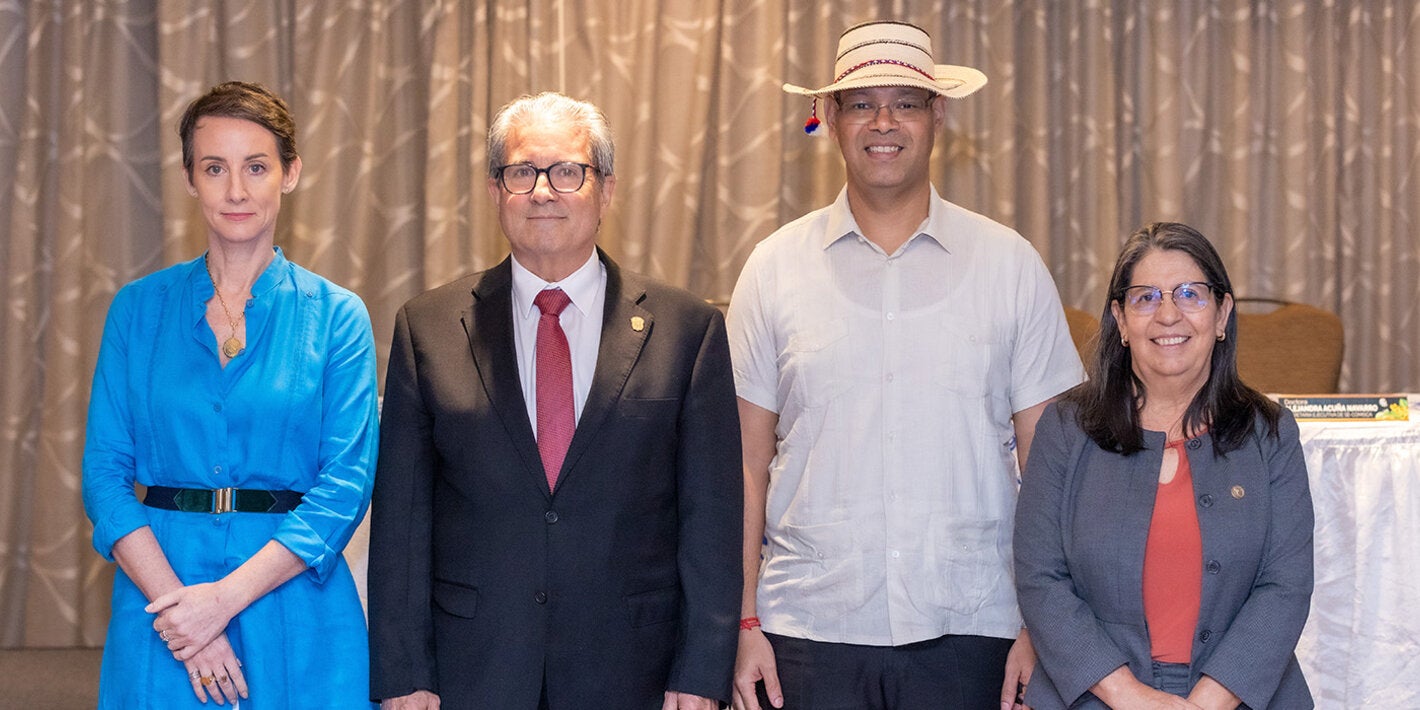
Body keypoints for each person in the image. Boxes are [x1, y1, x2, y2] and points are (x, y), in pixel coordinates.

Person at [727, 20, 1085, 710]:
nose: (883, 122)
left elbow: (1051, 464)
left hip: (976, 626)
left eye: (907, 103)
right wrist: (741, 623)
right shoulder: (773, 270)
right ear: (829, 118)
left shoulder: (1010, 266)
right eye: (861, 102)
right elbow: (742, 464)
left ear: (938, 117)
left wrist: (1042, 625)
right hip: (805, 629)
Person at [367, 91, 742, 710]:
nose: (543, 191)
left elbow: (713, 522)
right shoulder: (427, 327)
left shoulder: (688, 331)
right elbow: (403, 524)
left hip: (636, 671)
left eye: (568, 171)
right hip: (475, 670)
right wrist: (404, 674)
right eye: (522, 172)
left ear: (607, 191)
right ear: (496, 194)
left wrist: (701, 674)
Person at [81, 81, 380, 708]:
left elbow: (345, 487)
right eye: (215, 168)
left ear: (290, 173)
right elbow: (105, 480)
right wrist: (185, 617)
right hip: (161, 602)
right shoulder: (136, 312)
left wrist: (220, 601)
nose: (236, 190)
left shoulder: (338, 317)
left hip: (295, 603)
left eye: (256, 167)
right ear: (190, 178)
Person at [1013, 222, 1314, 709]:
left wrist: (1204, 705)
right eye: (1146, 297)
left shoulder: (1270, 433)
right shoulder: (1065, 429)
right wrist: (1130, 697)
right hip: (1094, 697)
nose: (1168, 314)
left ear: (1222, 315)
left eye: (1191, 294)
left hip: (1240, 699)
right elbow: (1039, 579)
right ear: (1120, 320)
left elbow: (1286, 586)